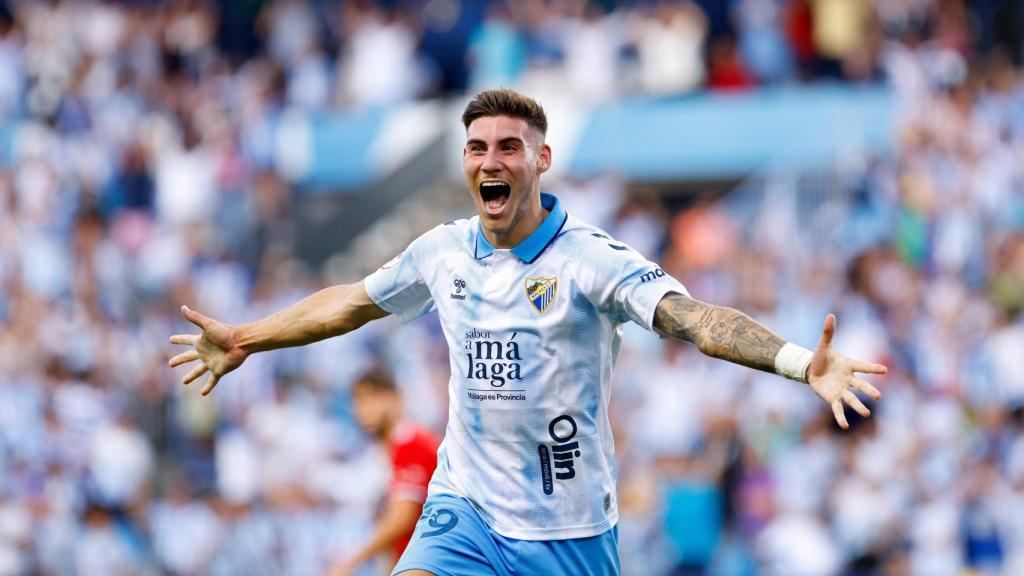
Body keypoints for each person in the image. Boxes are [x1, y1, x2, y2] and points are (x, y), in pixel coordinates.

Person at [169, 88, 886, 576]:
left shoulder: (591, 260)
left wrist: (800, 363)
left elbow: (695, 320)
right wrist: (247, 339)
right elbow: (351, 303)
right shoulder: (441, 251)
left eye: (509, 147)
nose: (491, 161)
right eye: (477, 147)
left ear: (541, 159)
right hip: (466, 507)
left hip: (567, 531)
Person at [328, 368, 440, 576]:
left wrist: (351, 561)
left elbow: (402, 518)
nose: (360, 410)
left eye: (369, 399)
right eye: (358, 402)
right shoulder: (381, 454)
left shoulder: (412, 442)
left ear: (393, 397)